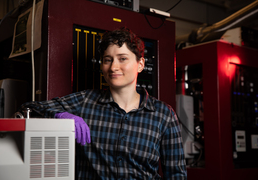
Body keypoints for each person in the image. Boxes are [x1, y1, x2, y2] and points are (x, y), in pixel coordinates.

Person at [18, 27, 187, 179]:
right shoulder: (85, 101)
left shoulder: (164, 114)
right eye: (108, 60)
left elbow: (176, 174)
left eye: (122, 58)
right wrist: (60, 114)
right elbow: (28, 109)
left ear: (140, 64)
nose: (113, 67)